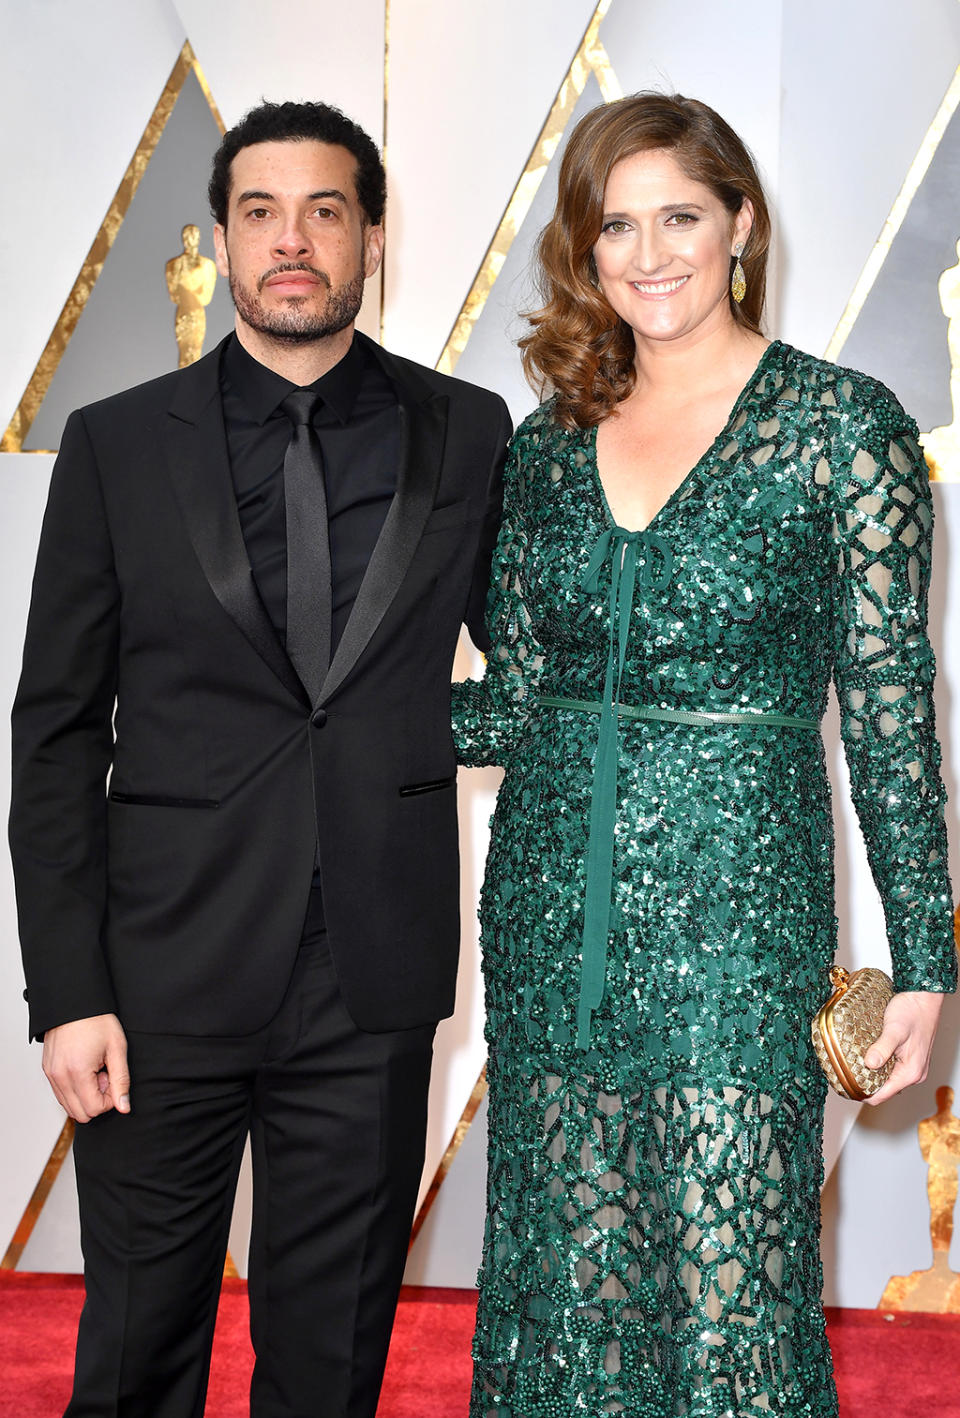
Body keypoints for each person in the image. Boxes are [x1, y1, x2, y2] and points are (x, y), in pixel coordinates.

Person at [452, 92, 955, 1417]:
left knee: (740, 1292)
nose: (650, 251)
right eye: (616, 223)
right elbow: (517, 703)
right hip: (553, 919)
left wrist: (926, 959)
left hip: (743, 926)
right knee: (569, 1284)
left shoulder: (845, 428)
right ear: (583, 246)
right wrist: (296, 709)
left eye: (681, 214)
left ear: (739, 220)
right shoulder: (547, 444)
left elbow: (896, 706)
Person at [10, 100, 510, 1418]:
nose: (292, 241)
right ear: (225, 239)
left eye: (324, 212)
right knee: (133, 1355)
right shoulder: (118, 442)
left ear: (372, 239)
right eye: (260, 212)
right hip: (155, 979)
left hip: (375, 972)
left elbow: (535, 662)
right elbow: (56, 727)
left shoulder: (470, 433)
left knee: (331, 1365)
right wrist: (66, 990)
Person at [165, 222, 218, 367]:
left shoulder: (207, 265)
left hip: (196, 313)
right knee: (184, 351)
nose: (190, 241)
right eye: (187, 237)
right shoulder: (174, 265)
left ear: (199, 239)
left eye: (194, 237)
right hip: (184, 312)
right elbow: (174, 295)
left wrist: (187, 291)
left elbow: (206, 296)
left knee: (195, 351)